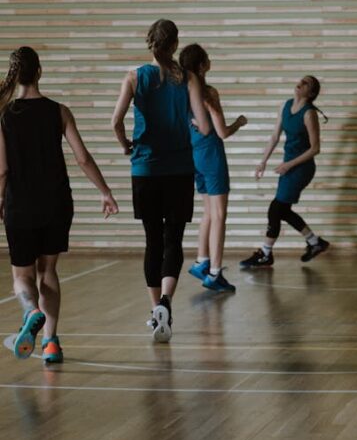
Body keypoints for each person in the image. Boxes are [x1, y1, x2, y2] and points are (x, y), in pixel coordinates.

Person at [0, 46, 118, 364]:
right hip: (56, 203)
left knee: (22, 275)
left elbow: (3, 169)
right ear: (39, 72)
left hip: (20, 205)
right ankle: (51, 342)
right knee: (48, 271)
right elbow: (82, 158)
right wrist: (105, 191)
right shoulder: (59, 111)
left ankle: (31, 310)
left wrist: (0, 200)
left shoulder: (4, 115)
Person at [111, 19, 210, 342]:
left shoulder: (135, 76)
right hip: (180, 169)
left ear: (150, 42)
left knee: (153, 240)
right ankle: (167, 300)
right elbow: (205, 126)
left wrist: (126, 144)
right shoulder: (189, 78)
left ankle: (157, 312)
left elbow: (115, 122)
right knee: (174, 240)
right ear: (175, 44)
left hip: (145, 169)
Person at [179, 43, 247, 294]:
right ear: (201, 65)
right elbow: (222, 132)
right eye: (207, 58)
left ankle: (201, 261)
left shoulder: (180, 94)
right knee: (219, 215)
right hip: (211, 154)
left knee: (208, 211)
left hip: (193, 156)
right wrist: (239, 122)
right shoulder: (207, 93)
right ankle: (215, 272)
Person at [240, 75, 328, 269]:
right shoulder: (286, 105)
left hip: (301, 168)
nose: (300, 83)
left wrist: (289, 165)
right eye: (301, 80)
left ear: (311, 93)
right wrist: (262, 161)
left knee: (276, 209)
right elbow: (274, 136)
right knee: (283, 210)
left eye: (306, 83)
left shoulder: (309, 114)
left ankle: (265, 253)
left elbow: (315, 148)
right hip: (288, 166)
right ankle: (315, 242)